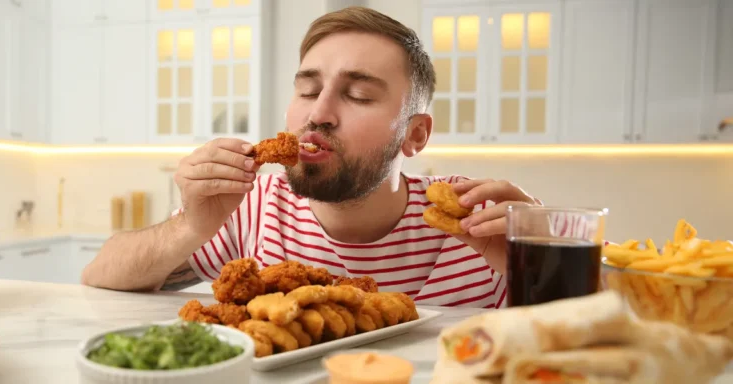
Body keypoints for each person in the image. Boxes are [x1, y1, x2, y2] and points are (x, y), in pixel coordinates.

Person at [81, 6, 542, 308]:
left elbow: (603, 331)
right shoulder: (252, 203)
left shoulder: (476, 217)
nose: (318, 113)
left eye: (358, 95)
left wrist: (541, 261)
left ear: (415, 135)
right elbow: (100, 277)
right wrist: (191, 226)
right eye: (307, 89)